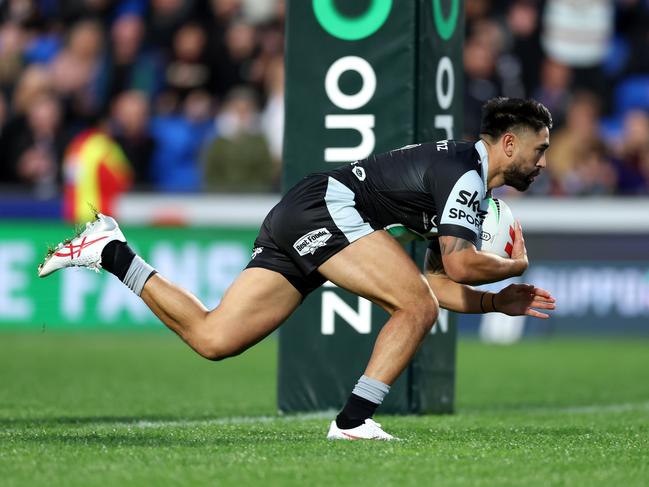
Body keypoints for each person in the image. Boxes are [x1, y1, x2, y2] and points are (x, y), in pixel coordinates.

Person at [38, 97, 556, 441]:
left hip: (310, 210)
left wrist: (493, 302)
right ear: (509, 143)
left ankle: (111, 251)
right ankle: (354, 423)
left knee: (214, 338)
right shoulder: (465, 175)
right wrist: (516, 264)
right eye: (540, 150)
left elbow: (435, 284)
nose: (544, 162)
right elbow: (458, 267)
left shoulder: (463, 176)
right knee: (412, 306)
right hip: (327, 209)